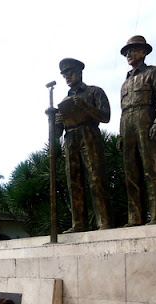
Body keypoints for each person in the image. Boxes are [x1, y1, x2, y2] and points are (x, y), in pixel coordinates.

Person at [55, 58, 113, 233]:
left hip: (89, 134)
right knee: (74, 182)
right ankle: (79, 223)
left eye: (69, 72)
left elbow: (106, 116)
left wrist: (86, 107)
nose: (67, 77)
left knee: (96, 179)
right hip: (70, 137)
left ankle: (104, 222)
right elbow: (57, 133)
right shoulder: (64, 100)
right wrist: (56, 120)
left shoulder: (94, 92)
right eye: (64, 74)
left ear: (80, 72)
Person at [119, 35, 156, 226]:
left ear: (144, 52)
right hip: (128, 124)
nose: (129, 55)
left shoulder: (154, 73)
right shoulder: (125, 82)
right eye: (126, 52)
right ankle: (135, 217)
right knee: (130, 172)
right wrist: (121, 133)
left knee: (152, 168)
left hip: (146, 119)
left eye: (132, 50)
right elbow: (123, 109)